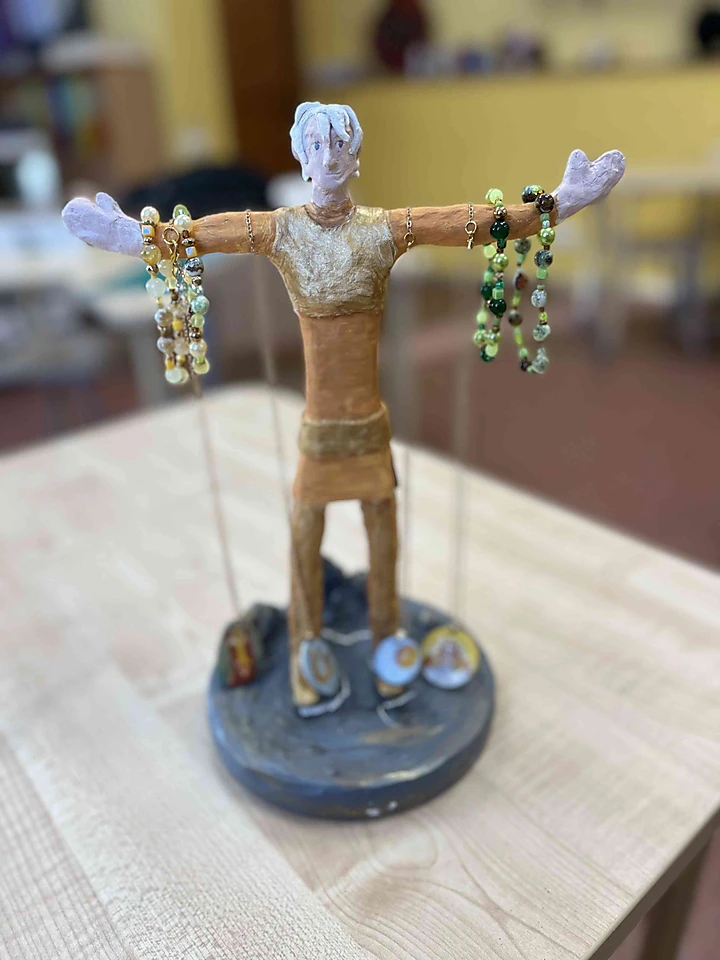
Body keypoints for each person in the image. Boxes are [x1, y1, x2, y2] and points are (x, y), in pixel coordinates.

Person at [62, 101, 625, 707]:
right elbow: (203, 233)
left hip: (369, 427)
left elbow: (471, 221)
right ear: (302, 158)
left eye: (339, 145)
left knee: (383, 534)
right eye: (316, 145)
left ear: (355, 156)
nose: (328, 156)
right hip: (320, 430)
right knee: (305, 533)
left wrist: (556, 205)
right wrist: (134, 237)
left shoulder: (385, 228)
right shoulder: (280, 230)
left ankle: (387, 641)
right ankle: (306, 647)